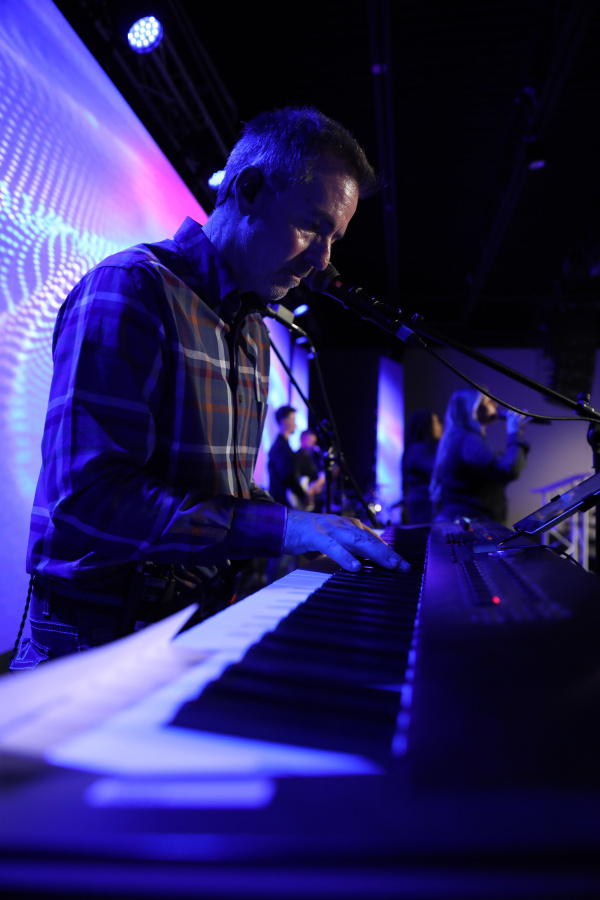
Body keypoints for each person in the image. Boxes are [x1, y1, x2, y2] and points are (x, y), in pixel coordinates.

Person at [11, 106, 410, 670]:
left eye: (334, 238)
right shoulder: (131, 289)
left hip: (188, 618)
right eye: (312, 225)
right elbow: (90, 499)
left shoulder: (253, 329)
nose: (323, 260)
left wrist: (316, 527)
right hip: (96, 633)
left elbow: (223, 491)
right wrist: (285, 526)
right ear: (248, 191)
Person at [429, 388, 529, 524]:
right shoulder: (469, 441)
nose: (495, 404)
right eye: (488, 401)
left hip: (463, 520)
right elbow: (509, 469)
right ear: (474, 408)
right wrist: (514, 433)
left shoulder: (460, 438)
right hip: (468, 523)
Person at [401, 410, 443, 524]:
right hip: (423, 503)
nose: (440, 426)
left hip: (423, 501)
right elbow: (438, 470)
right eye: (436, 422)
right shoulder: (418, 449)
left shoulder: (417, 448)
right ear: (426, 426)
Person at [267, 406, 308, 508]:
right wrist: (303, 496)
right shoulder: (281, 448)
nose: (295, 424)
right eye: (293, 419)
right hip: (281, 504)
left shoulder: (283, 446)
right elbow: (288, 477)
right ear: (284, 421)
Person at [295, 428, 326, 511]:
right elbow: (297, 479)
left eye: (314, 442)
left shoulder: (313, 455)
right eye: (310, 442)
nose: (313, 445)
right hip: (304, 498)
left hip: (315, 496)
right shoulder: (297, 457)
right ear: (302, 440)